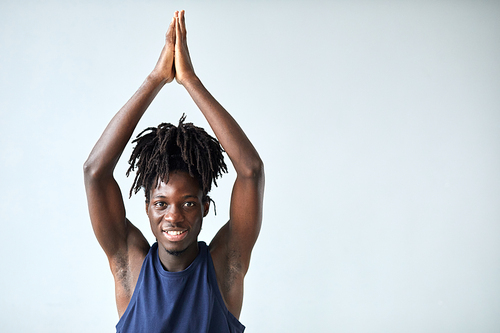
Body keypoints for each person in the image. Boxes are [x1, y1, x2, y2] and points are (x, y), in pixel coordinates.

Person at [83, 10, 264, 332]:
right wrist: (156, 78)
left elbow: (250, 171)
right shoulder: (131, 266)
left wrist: (190, 81)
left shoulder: (225, 266)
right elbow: (95, 172)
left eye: (189, 203)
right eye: (161, 203)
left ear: (206, 207)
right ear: (148, 209)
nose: (174, 216)